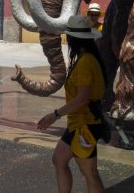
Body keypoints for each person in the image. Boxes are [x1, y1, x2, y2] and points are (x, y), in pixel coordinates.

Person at [37, 15, 106, 193]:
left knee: (89, 172)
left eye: (67, 36)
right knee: (59, 159)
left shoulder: (85, 62)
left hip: (86, 125)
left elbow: (82, 98)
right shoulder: (85, 58)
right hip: (77, 124)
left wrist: (55, 114)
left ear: (72, 38)